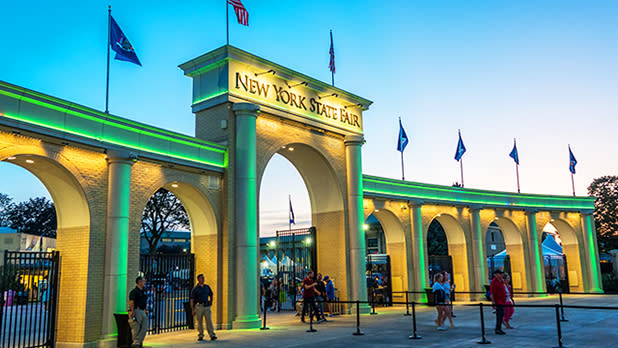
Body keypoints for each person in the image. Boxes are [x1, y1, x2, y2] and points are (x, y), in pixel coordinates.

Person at [190, 274, 217, 341]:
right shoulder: (195, 289)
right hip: (198, 306)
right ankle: (200, 335)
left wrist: (211, 301)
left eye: (203, 278)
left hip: (206, 306)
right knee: (199, 322)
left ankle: (212, 335)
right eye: (201, 278)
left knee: (209, 321)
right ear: (198, 279)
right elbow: (192, 300)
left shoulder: (207, 287)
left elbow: (211, 294)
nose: (203, 279)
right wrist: (193, 309)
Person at [128, 276, 149, 348]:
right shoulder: (134, 292)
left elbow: (144, 301)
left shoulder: (143, 291)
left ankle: (138, 342)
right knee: (136, 327)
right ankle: (136, 343)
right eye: (143, 281)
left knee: (144, 327)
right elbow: (131, 301)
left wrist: (146, 309)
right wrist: (132, 311)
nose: (145, 282)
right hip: (136, 310)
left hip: (142, 310)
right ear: (139, 282)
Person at [489, 270, 507, 335]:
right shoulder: (494, 282)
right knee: (499, 315)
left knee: (502, 314)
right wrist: (493, 302)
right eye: (500, 274)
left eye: (502, 274)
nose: (501, 275)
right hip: (498, 301)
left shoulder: (501, 281)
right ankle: (498, 329)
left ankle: (499, 328)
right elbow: (492, 293)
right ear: (496, 274)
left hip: (503, 301)